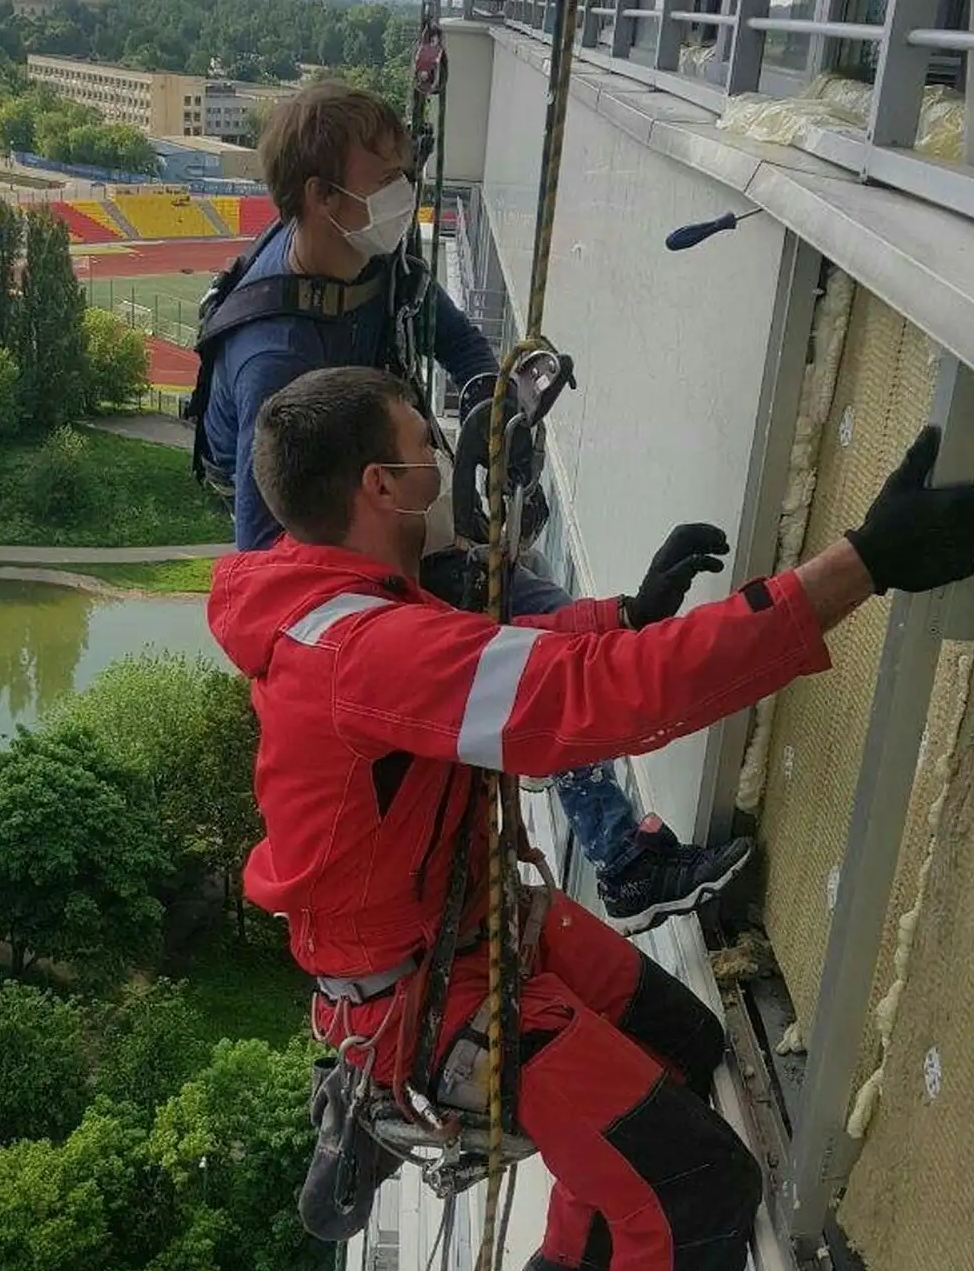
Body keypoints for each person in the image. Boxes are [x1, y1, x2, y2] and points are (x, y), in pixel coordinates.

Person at [208, 365, 974, 1271]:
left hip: (463, 933)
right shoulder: (356, 650)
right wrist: (857, 568)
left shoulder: (338, 601)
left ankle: (578, 1263)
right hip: (439, 987)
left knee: (679, 1047)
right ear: (382, 483)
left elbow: (483, 659)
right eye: (427, 445)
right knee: (697, 1192)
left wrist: (617, 615)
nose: (445, 464)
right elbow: (586, 706)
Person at [197, 79, 751, 934]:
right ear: (322, 196)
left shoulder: (365, 260)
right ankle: (625, 856)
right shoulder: (270, 356)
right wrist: (408, 583)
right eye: (383, 175)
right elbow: (271, 549)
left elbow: (457, 341)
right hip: (351, 578)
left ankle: (621, 851)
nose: (400, 191)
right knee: (527, 657)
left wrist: (496, 404)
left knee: (542, 635)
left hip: (390, 523)